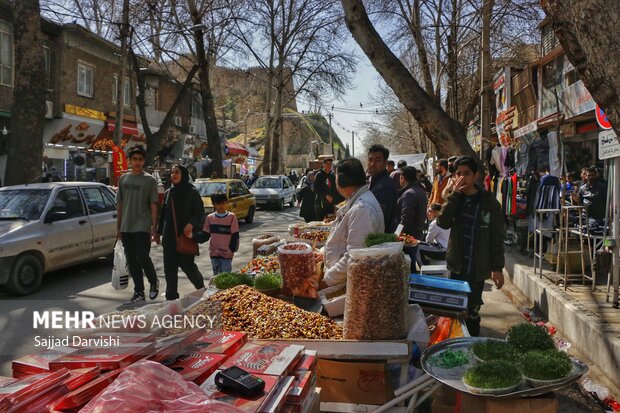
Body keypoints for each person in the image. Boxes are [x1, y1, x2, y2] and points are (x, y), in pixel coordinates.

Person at [437, 156, 505, 336]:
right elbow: (442, 222)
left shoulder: (489, 203)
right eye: (458, 174)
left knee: (473, 314)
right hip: (457, 267)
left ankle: (473, 347)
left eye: (466, 174)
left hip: (477, 269)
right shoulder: (454, 199)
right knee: (456, 313)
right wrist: (454, 196)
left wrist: (497, 267)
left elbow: (496, 237)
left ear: (475, 175)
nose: (462, 178)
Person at [318, 158, 384, 288]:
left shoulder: (362, 209)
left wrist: (325, 281)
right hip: (343, 281)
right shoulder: (357, 201)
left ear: (341, 180)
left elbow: (354, 257)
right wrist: (323, 252)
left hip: (348, 284)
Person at [116, 145, 160, 303]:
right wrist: (118, 228)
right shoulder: (123, 179)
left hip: (142, 225)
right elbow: (120, 204)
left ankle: (154, 282)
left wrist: (154, 229)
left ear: (143, 161)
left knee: (142, 256)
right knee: (132, 260)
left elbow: (154, 205)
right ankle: (139, 292)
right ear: (129, 161)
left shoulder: (149, 180)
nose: (137, 162)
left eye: (140, 159)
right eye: (134, 159)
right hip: (126, 226)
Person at [155, 164, 206, 301]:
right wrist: (158, 233)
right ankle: (171, 298)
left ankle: (201, 287)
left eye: (177, 172)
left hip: (185, 237)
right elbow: (163, 215)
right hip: (169, 237)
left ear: (183, 174)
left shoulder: (192, 192)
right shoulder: (168, 193)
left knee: (187, 266)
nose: (174, 175)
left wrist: (191, 224)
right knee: (169, 270)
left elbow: (200, 212)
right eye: (172, 172)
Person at [202, 193, 240, 275]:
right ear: (213, 204)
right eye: (218, 204)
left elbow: (235, 236)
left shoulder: (232, 217)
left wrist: (232, 250)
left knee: (225, 276)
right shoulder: (210, 218)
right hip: (214, 252)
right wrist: (193, 236)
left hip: (227, 253)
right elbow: (205, 235)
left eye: (223, 203)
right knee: (216, 276)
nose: (221, 206)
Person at [367, 144, 398, 232]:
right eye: (370, 160)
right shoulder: (373, 181)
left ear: (385, 162)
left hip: (380, 240)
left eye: (378, 160)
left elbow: (378, 220)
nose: (372, 164)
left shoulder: (384, 186)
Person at [396, 166, 428, 240]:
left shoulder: (409, 194)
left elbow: (405, 219)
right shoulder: (420, 190)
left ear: (402, 178)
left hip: (408, 238)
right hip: (417, 235)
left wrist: (396, 234)